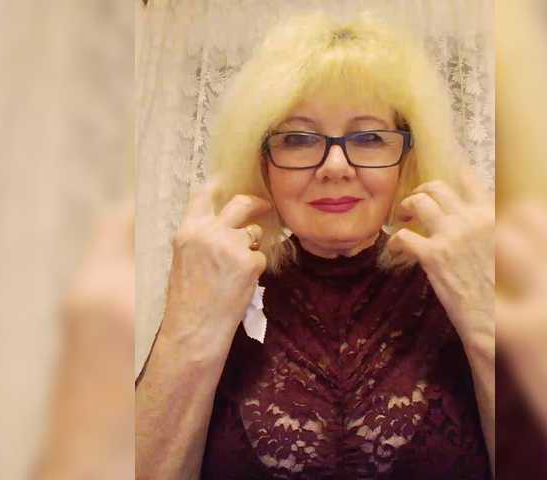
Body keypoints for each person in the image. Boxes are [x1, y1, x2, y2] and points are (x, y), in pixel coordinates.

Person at [136, 11, 494, 479]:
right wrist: (188, 329)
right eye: (298, 139)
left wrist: (488, 316)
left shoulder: (461, 280)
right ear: (261, 163)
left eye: (369, 137)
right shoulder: (221, 286)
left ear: (407, 158)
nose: (335, 167)